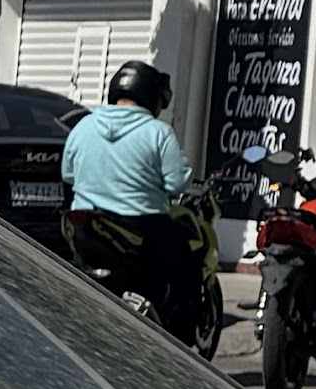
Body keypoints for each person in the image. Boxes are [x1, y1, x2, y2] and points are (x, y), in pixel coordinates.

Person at [60, 60, 215, 347]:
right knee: (187, 271)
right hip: (143, 224)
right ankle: (181, 348)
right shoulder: (157, 133)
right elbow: (176, 183)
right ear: (152, 97)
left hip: (85, 225)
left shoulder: (83, 126)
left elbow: (67, 174)